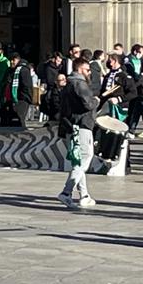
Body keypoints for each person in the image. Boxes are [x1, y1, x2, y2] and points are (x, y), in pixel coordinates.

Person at [57, 58, 97, 209]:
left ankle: (84, 195)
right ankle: (66, 192)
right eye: (87, 70)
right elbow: (88, 104)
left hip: (69, 126)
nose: (89, 73)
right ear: (80, 69)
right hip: (82, 125)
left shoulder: (67, 84)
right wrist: (96, 101)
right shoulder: (80, 83)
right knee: (85, 159)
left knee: (77, 162)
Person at [3, 53, 34, 128]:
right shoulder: (10, 70)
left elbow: (26, 86)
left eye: (13, 60)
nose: (11, 62)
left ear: (18, 60)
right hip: (10, 99)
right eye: (10, 60)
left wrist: (24, 99)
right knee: (10, 122)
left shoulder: (23, 70)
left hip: (21, 100)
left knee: (19, 120)